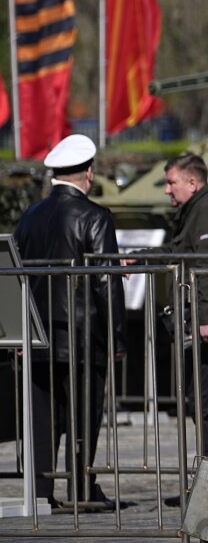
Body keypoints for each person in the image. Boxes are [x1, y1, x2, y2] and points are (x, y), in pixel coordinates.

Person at [14, 135, 130, 511]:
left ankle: (42, 492)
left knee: (44, 417)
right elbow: (105, 282)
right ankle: (82, 487)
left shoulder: (30, 215)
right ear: (89, 172)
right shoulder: (96, 217)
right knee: (84, 414)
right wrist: (116, 339)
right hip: (83, 337)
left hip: (36, 334)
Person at [146, 155, 208, 501]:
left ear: (192, 183)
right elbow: (176, 254)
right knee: (201, 406)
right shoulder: (194, 212)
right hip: (195, 327)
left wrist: (206, 319)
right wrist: (138, 257)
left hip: (207, 330)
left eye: (172, 182)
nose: (167, 190)